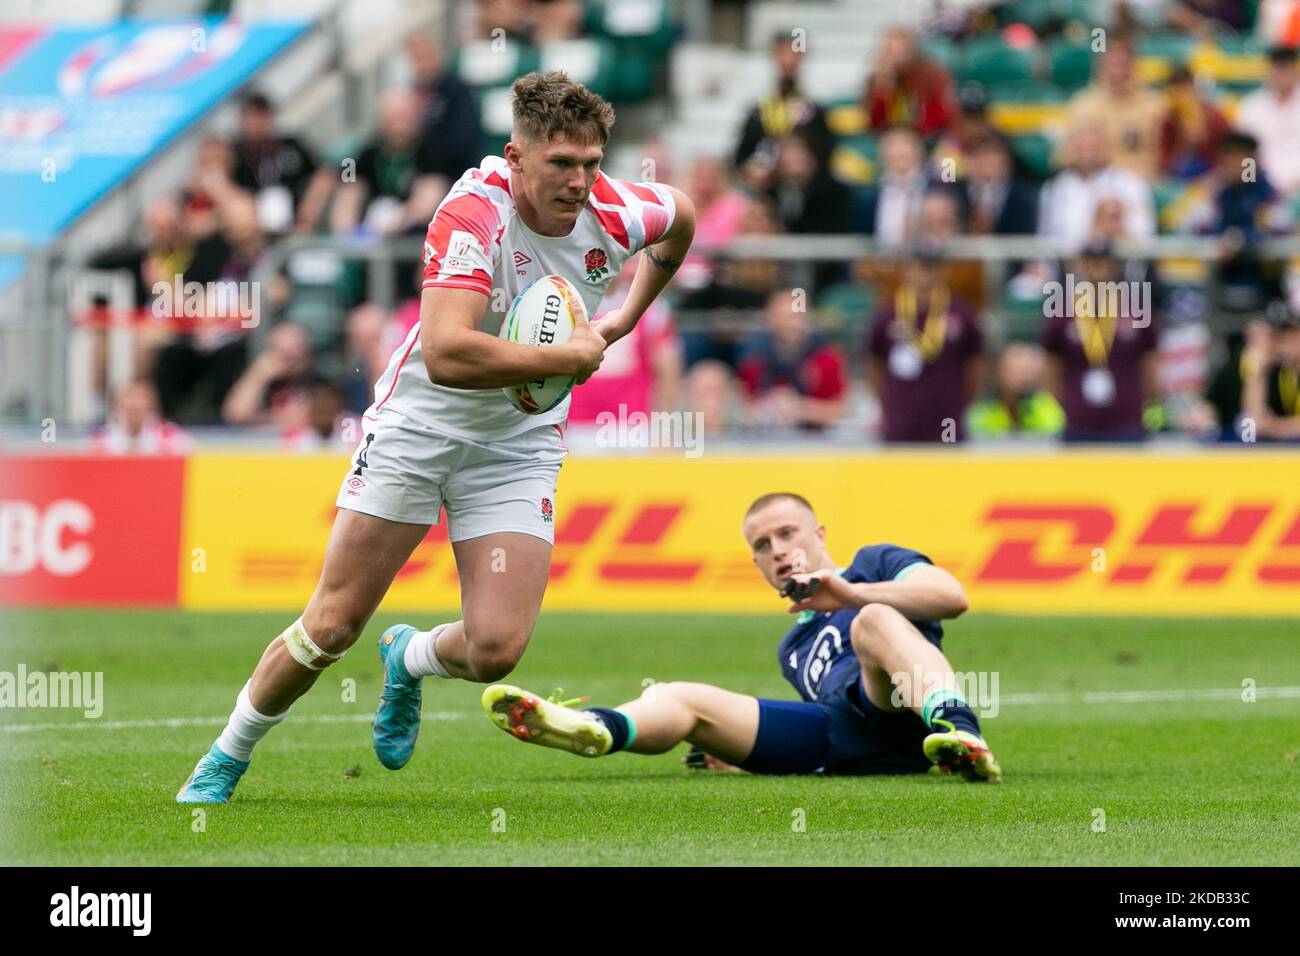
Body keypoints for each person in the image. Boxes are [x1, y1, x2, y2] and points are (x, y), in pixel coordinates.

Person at [176, 70, 697, 803]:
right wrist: (569, 358)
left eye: (592, 163)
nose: (580, 181)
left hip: (517, 445)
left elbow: (683, 218)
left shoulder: (616, 211)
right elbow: (450, 355)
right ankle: (226, 756)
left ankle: (411, 657)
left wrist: (627, 317)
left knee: (496, 652)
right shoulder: (471, 214)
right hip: (420, 427)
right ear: (516, 158)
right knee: (331, 624)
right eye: (560, 164)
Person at [479, 492, 1002, 781]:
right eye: (762, 544)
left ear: (819, 535)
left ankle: (960, 729)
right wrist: (738, 751)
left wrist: (849, 594)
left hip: (898, 710)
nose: (776, 549)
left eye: (787, 533)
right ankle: (592, 726)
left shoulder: (872, 564)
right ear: (756, 563)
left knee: (872, 622)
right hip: (846, 741)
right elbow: (822, 713)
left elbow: (950, 596)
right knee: (679, 696)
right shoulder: (792, 647)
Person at [1040, 241, 1160, 442]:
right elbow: (1051, 369)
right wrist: (1069, 405)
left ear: (1115, 265)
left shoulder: (1137, 311)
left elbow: (1150, 367)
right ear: (1080, 266)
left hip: (1127, 423)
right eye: (1091, 262)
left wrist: (1139, 403)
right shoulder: (1062, 314)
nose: (1097, 268)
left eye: (1103, 262)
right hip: (1078, 422)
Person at [865, 245, 983, 442]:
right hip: (900, 425)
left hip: (948, 423)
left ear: (944, 271)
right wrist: (887, 405)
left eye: (932, 268)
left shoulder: (962, 314)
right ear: (907, 270)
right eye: (919, 267)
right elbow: (873, 364)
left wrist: (961, 404)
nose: (925, 275)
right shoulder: (888, 313)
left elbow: (974, 369)